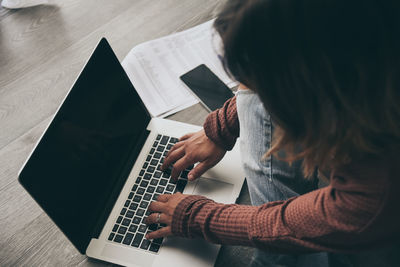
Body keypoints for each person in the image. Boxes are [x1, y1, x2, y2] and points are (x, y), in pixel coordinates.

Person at [145, 0, 400, 266]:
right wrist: (223, 126)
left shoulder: (379, 183)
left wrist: (198, 218)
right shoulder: (370, 40)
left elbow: (285, 226)